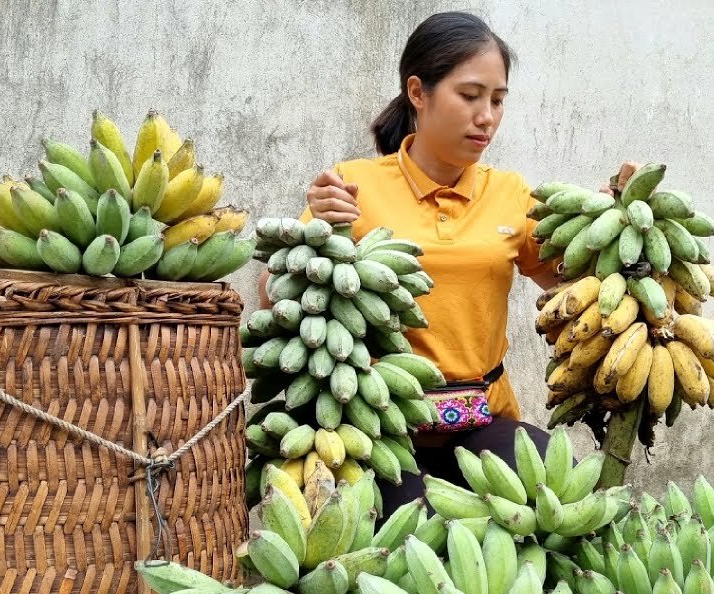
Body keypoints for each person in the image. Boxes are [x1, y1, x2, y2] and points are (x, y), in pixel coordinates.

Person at [260, 11, 639, 512]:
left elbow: (568, 284)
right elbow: (271, 298)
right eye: (470, 95)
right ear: (418, 92)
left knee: (562, 503)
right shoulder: (354, 186)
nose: (487, 116)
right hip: (375, 424)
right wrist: (314, 235)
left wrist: (604, 228)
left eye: (498, 100)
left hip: (482, 420)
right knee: (412, 541)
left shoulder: (511, 194)